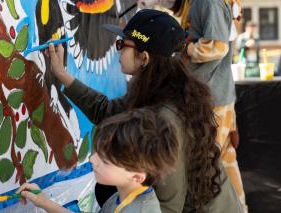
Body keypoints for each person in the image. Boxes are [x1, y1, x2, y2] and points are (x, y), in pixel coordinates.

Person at [47, 9, 242, 213]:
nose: (117, 51)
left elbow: (169, 204)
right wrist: (61, 74)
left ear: (144, 57)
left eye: (122, 45)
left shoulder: (166, 117)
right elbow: (106, 112)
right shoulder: (157, 90)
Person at [150, 0, 248, 212]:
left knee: (208, 166)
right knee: (224, 164)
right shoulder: (197, 3)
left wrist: (185, 49)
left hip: (210, 98)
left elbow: (218, 46)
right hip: (212, 95)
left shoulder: (208, 1)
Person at [18, 108, 179, 213]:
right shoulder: (121, 196)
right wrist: (44, 202)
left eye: (105, 160)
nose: (92, 159)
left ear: (137, 176)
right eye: (98, 152)